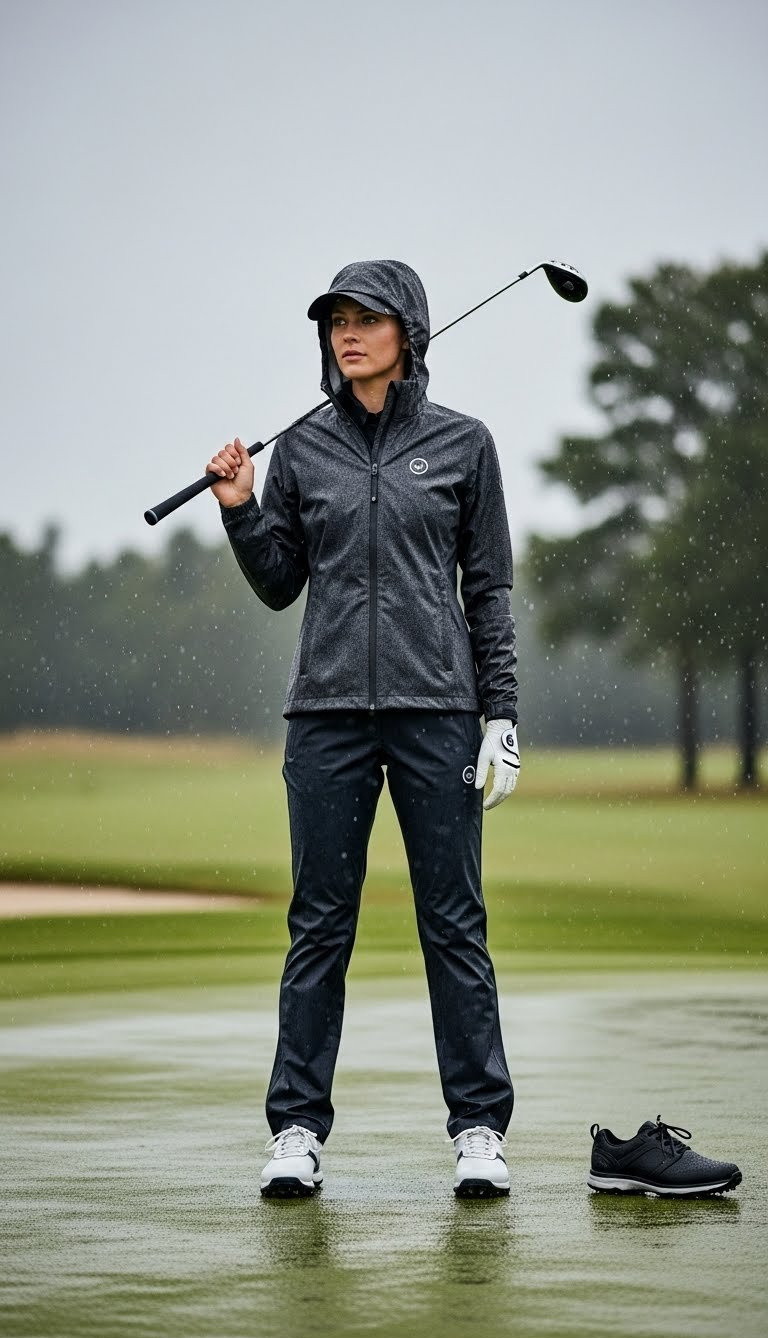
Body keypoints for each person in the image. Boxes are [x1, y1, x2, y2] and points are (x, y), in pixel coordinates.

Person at [207, 259, 521, 1199]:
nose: (347, 333)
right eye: (337, 320)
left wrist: (501, 713)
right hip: (327, 716)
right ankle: (296, 1128)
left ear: (407, 333)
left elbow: (488, 590)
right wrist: (241, 508)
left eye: (367, 319)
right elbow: (279, 583)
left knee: (453, 923)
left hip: (438, 713)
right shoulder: (304, 448)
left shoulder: (464, 444)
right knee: (319, 925)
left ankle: (478, 1129)